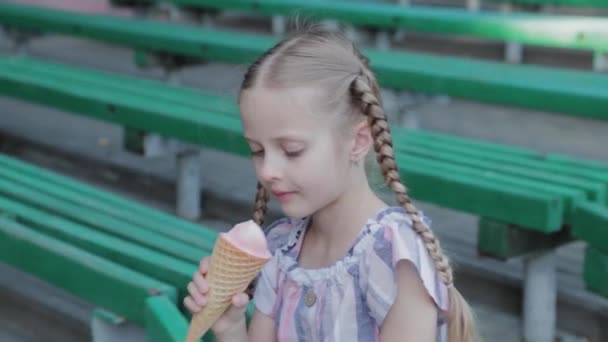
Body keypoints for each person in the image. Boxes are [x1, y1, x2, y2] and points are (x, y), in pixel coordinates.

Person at [184, 26, 478, 342]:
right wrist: (229, 325)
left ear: (358, 140)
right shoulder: (282, 248)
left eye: (291, 150)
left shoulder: (394, 257)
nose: (268, 170)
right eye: (257, 150)